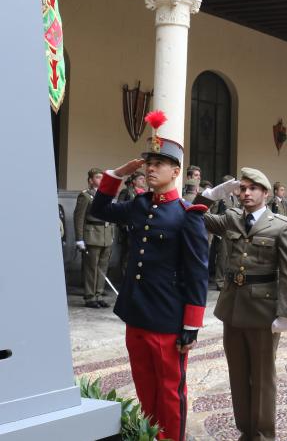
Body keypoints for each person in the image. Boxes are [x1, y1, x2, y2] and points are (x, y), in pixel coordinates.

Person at [90, 113, 209, 441]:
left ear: (176, 170)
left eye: (159, 163)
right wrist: (115, 176)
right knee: (144, 386)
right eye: (148, 162)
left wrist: (191, 326)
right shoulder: (140, 205)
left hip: (168, 319)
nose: (150, 168)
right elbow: (99, 210)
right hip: (136, 313)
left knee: (170, 391)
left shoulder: (188, 216)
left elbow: (198, 274)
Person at [195, 168, 287, 440]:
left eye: (253, 188)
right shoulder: (231, 219)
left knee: (263, 377)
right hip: (233, 307)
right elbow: (192, 216)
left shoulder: (281, 225)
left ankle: (264, 434)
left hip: (264, 311)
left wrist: (286, 313)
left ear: (266, 193)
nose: (246, 193)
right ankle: (246, 430)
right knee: (238, 374)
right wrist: (211, 194)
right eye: (242, 188)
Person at [74, 167, 115, 308]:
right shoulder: (85, 196)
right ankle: (90, 297)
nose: (101, 180)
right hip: (92, 235)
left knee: (103, 267)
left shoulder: (106, 195)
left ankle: (99, 294)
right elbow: (79, 218)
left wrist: (112, 234)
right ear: (91, 181)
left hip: (106, 235)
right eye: (98, 177)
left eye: (102, 177)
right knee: (91, 268)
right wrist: (79, 239)